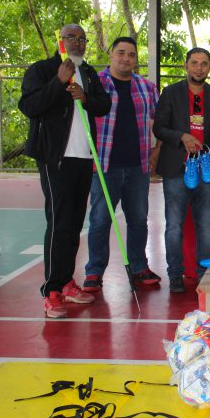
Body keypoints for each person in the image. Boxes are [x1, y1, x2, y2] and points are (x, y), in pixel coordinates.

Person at [19, 24, 111, 318]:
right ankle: (52, 290)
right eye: (72, 37)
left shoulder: (89, 72)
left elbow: (103, 105)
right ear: (60, 41)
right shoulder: (43, 70)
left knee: (74, 224)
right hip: (55, 158)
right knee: (58, 222)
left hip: (83, 158)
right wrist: (58, 82)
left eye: (82, 38)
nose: (78, 43)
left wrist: (85, 98)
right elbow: (30, 106)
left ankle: (67, 280)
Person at [82, 37, 160, 292]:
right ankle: (94, 271)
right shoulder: (96, 84)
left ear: (136, 60)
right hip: (105, 165)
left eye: (132, 55)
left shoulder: (147, 88)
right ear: (111, 55)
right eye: (121, 53)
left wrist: (155, 153)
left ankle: (139, 267)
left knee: (138, 219)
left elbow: (158, 124)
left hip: (138, 166)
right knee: (101, 219)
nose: (126, 58)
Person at [153, 47, 210, 293]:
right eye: (194, 63)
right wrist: (182, 137)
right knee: (174, 225)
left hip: (206, 170)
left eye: (204, 63)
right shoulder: (171, 93)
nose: (199, 68)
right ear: (186, 65)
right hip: (177, 168)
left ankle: (203, 275)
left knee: (206, 225)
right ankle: (175, 275)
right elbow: (159, 128)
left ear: (209, 67)